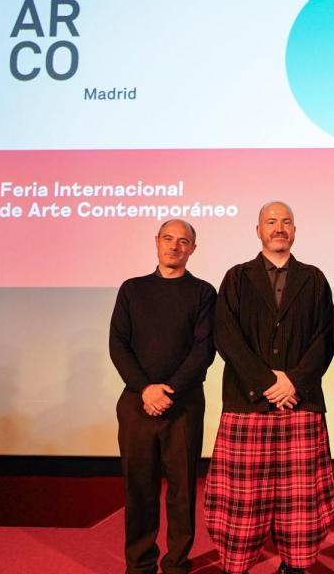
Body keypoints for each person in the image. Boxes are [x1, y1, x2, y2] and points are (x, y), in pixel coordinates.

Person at [204, 202, 334, 574]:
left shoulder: (313, 278)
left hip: (301, 402)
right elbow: (226, 336)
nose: (280, 228)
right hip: (247, 405)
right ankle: (238, 566)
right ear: (258, 229)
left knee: (301, 501)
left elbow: (326, 339)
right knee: (241, 501)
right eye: (271, 221)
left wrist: (292, 381)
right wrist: (267, 382)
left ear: (295, 230)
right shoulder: (237, 277)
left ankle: (294, 567)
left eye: (287, 222)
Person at [109, 219, 217, 574]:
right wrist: (146, 389)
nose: (174, 246)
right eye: (168, 239)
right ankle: (139, 565)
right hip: (137, 403)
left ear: (193, 249)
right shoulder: (132, 289)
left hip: (183, 405)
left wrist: (168, 390)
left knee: (182, 491)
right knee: (139, 489)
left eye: (183, 241)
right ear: (157, 242)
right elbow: (118, 344)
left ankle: (177, 564)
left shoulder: (203, 292)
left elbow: (204, 349)